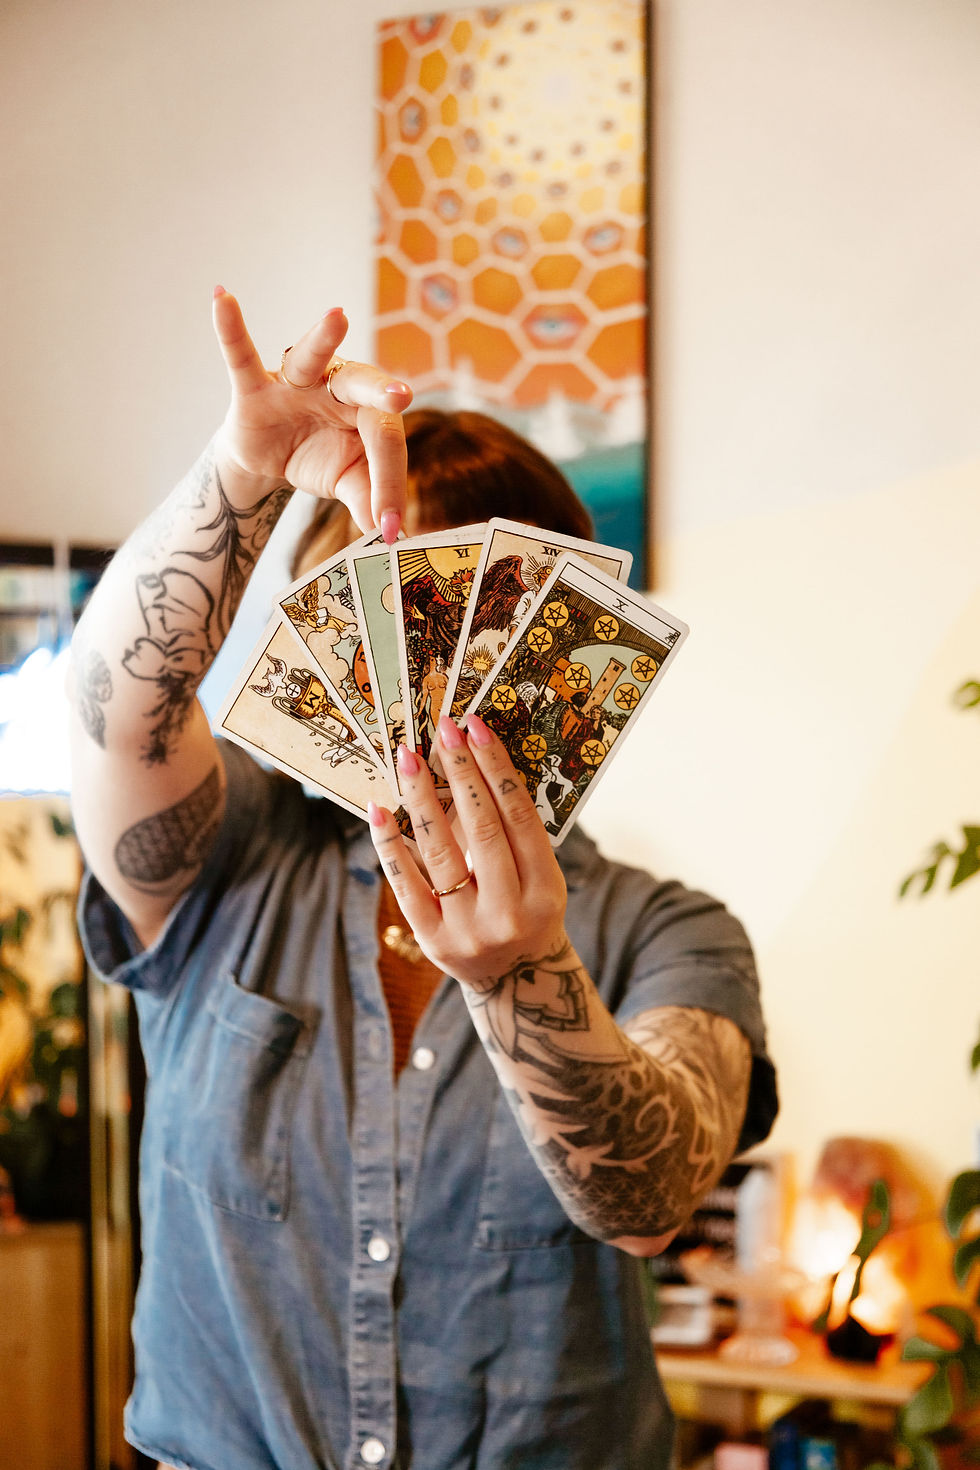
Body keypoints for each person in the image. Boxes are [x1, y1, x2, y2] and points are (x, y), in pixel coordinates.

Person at [68, 291, 778, 1470]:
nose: (423, 668)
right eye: (385, 613)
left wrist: (518, 975)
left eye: (466, 615)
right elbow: (113, 717)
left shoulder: (670, 931)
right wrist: (243, 469)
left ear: (563, 643)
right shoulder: (230, 852)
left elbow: (649, 1197)